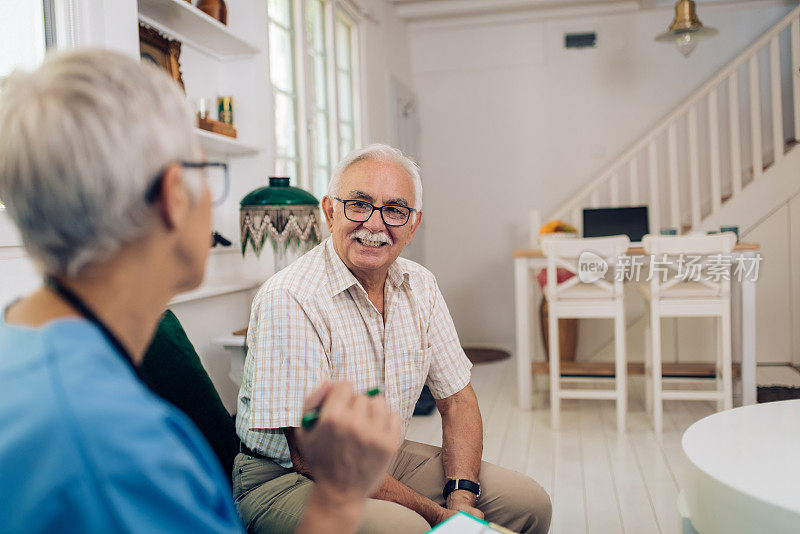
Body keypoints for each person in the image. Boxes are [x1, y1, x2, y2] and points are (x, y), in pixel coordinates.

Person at [0, 49, 400, 534]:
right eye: (206, 171)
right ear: (174, 195)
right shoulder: (126, 453)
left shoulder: (21, 343)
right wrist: (338, 495)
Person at [235, 143, 553, 534]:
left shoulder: (420, 284)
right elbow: (314, 457)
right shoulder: (290, 296)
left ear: (413, 224)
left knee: (529, 504)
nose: (374, 224)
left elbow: (458, 400)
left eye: (395, 210)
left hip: (382, 459)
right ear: (330, 211)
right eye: (359, 204)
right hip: (286, 480)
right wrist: (442, 519)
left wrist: (462, 499)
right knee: (407, 528)